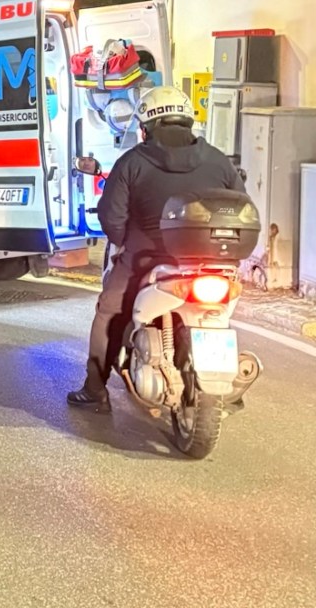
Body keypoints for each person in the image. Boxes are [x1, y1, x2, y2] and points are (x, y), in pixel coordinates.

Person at [68, 85, 243, 411]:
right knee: (216, 313)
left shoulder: (132, 162)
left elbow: (112, 218)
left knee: (110, 311)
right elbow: (241, 207)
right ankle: (224, 379)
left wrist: (124, 241)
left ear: (145, 127)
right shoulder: (219, 161)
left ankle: (95, 389)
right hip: (210, 262)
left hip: (145, 259)